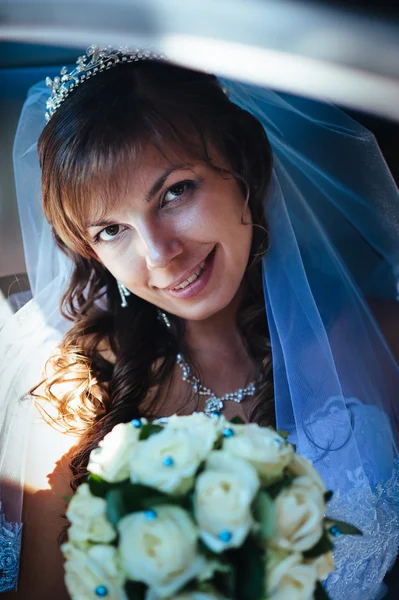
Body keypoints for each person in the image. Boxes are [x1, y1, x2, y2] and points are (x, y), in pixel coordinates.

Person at [1, 46, 398, 599]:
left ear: (240, 167)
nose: (160, 255)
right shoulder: (72, 401)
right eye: (112, 230)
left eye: (175, 192)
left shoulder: (377, 336)